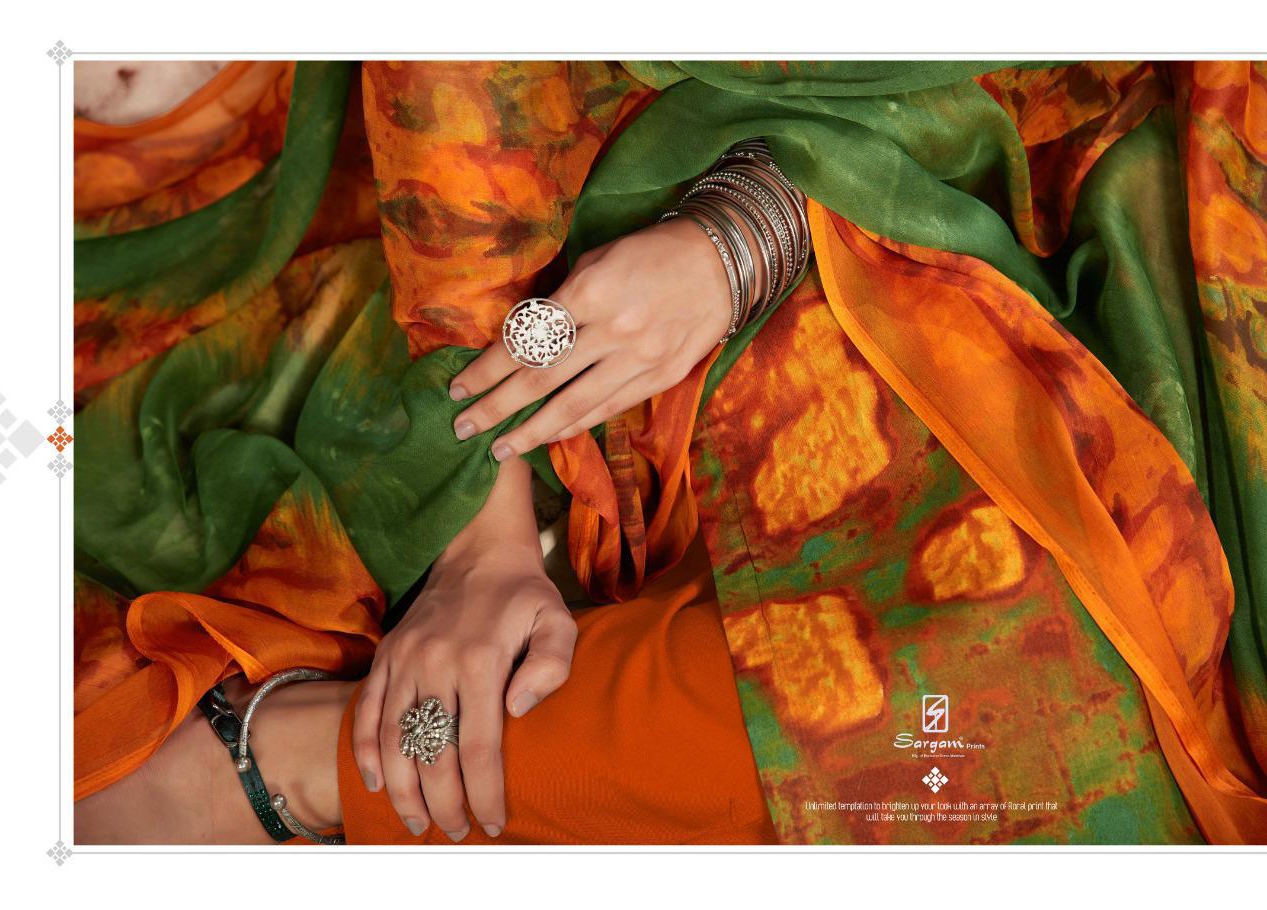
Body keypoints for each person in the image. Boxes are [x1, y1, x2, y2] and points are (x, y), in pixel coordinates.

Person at [72, 59, 1267, 846]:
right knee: (1014, 693)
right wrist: (481, 541)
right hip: (533, 277)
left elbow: (1051, 71)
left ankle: (300, 761)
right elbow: (456, 187)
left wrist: (745, 234)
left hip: (839, 220)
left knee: (1028, 698)